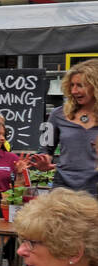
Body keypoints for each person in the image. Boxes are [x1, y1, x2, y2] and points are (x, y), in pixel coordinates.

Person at [38, 59, 98, 196]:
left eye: (80, 85)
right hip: (63, 189)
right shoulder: (57, 114)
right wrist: (43, 162)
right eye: (72, 85)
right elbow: (44, 149)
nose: (74, 90)